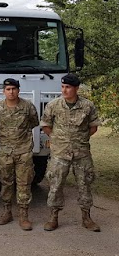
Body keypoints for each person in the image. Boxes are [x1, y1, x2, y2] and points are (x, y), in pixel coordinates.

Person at [40, 73, 101, 232]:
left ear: (76, 88)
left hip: (81, 153)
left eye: (68, 87)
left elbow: (93, 127)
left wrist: (80, 139)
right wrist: (56, 138)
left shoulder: (87, 106)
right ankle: (53, 218)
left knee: (85, 184)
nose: (64, 90)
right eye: (63, 87)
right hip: (60, 153)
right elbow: (46, 124)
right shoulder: (54, 105)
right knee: (56, 184)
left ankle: (86, 218)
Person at [0, 78, 39, 231]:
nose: (11, 92)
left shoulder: (27, 106)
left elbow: (34, 122)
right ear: (3, 91)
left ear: (18, 90)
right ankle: (7, 211)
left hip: (23, 151)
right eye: (8, 89)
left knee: (24, 183)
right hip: (5, 152)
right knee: (6, 182)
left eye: (14, 89)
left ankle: (24, 215)